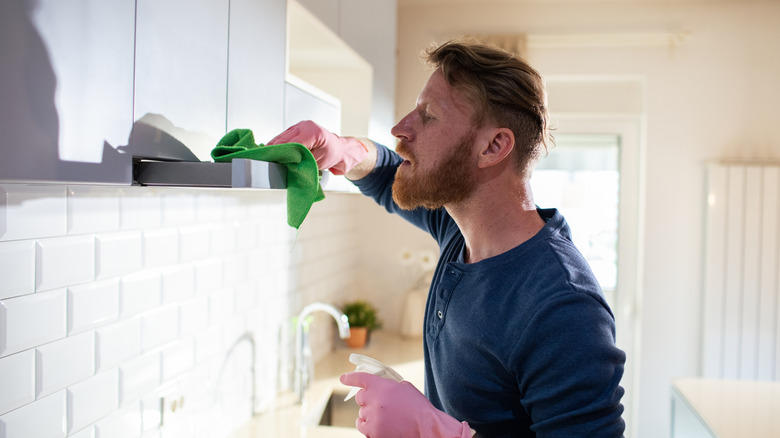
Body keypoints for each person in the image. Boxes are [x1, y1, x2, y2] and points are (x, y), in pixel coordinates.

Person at [268, 40, 626, 438]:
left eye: (428, 116)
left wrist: (438, 431)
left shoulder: (562, 307)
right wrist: (344, 149)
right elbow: (391, 175)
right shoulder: (461, 232)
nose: (400, 128)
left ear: (493, 147)